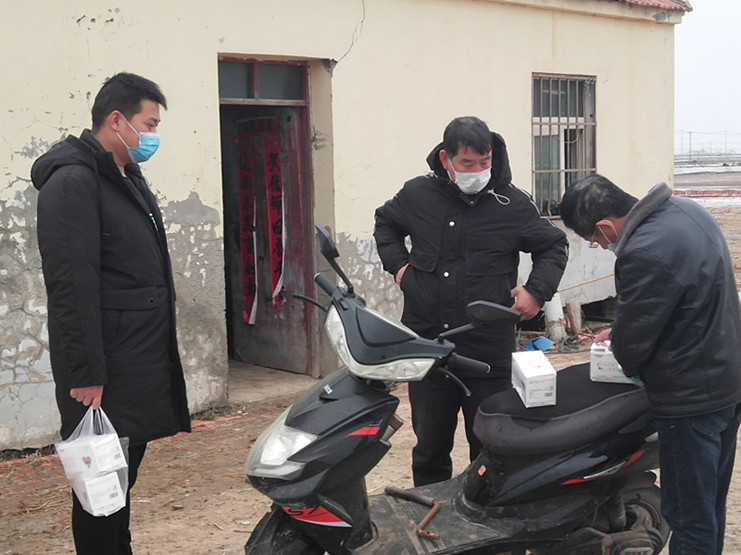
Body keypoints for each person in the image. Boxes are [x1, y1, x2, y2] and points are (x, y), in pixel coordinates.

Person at [31, 72, 191, 555]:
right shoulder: (74, 182)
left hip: (133, 362)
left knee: (120, 484)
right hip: (104, 372)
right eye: (150, 124)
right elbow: (71, 285)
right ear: (117, 120)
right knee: (99, 491)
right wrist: (86, 373)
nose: (154, 135)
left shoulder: (124, 176)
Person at [373, 116, 568, 486]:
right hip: (428, 345)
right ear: (446, 159)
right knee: (429, 448)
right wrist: (399, 267)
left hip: (487, 351)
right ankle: (431, 509)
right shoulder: (418, 194)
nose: (477, 171)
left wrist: (536, 291)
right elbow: (386, 222)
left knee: (490, 448)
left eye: (484, 162)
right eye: (467, 163)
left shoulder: (511, 204)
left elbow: (554, 245)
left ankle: (485, 513)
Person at [560, 173, 741, 554]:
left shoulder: (643, 249)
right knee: (709, 502)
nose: (601, 246)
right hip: (727, 380)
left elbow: (632, 350)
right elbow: (684, 301)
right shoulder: (687, 211)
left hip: (689, 400)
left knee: (688, 515)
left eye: (595, 241)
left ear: (605, 227)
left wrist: (621, 342)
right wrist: (623, 328)